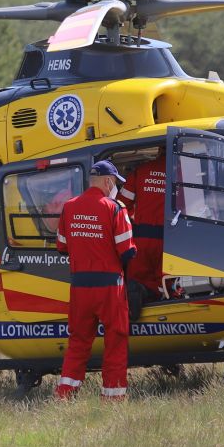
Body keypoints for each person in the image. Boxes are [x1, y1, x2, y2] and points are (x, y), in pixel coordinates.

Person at [54, 159, 137, 401]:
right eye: (115, 183)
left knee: (78, 340)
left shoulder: (69, 207)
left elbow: (61, 247)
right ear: (108, 181)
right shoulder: (115, 208)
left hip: (80, 286)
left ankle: (66, 393)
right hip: (110, 286)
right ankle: (112, 395)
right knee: (115, 338)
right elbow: (128, 251)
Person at [118, 149, 167, 302]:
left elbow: (121, 204)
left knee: (136, 282)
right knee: (168, 284)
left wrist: (134, 217)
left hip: (142, 239)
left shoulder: (141, 170)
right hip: (170, 242)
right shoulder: (182, 172)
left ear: (159, 151)